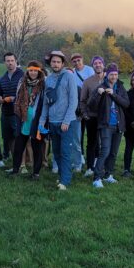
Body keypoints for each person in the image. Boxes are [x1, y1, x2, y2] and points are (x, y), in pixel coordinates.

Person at [39, 50, 79, 190]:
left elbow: (73, 101)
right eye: (53, 62)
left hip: (66, 123)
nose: (55, 64)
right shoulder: (48, 79)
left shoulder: (69, 77)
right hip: (53, 122)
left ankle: (65, 181)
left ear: (62, 63)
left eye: (58, 62)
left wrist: (66, 121)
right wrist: (42, 121)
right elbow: (45, 102)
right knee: (56, 153)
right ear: (50, 63)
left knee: (65, 152)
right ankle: (64, 175)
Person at [89, 63, 130, 188]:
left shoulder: (120, 87)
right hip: (105, 124)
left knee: (113, 152)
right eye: (112, 74)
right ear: (107, 75)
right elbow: (91, 105)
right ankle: (97, 178)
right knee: (105, 151)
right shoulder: (100, 87)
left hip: (118, 125)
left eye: (116, 74)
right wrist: (98, 94)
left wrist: (113, 94)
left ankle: (108, 175)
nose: (114, 76)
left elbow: (126, 103)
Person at [10, 61, 47, 179]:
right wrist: (18, 115)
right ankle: (15, 170)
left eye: (35, 70)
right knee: (19, 146)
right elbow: (17, 100)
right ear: (27, 71)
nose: (33, 73)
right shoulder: (22, 82)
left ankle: (36, 173)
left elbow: (45, 103)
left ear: (39, 71)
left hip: (37, 119)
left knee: (37, 147)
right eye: (31, 70)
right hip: (23, 119)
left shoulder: (43, 84)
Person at [80, 56, 106, 177]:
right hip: (92, 117)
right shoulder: (88, 82)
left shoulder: (109, 79)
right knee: (92, 143)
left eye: (100, 63)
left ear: (103, 65)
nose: (98, 65)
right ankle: (90, 167)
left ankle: (103, 167)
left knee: (105, 143)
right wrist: (85, 114)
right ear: (93, 66)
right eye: (95, 63)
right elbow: (83, 100)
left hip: (106, 117)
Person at [0, 52, 24, 163]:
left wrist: (14, 98)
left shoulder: (22, 75)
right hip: (5, 112)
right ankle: (11, 158)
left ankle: (22, 161)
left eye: (12, 61)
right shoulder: (2, 78)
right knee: (7, 137)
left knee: (19, 137)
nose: (10, 63)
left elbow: (26, 93)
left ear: (16, 61)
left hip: (18, 112)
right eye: (7, 61)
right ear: (5, 63)